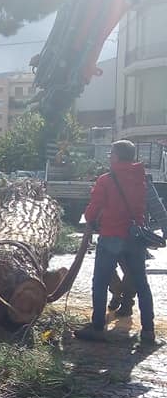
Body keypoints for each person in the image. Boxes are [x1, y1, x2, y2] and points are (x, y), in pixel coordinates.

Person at [75, 140, 156, 345]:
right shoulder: (141, 178)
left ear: (118, 156)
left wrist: (90, 219)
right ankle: (148, 331)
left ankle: (97, 328)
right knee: (141, 283)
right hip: (135, 237)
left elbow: (93, 209)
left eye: (111, 153)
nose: (109, 156)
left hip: (111, 236)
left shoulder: (106, 180)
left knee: (100, 282)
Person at [108, 175, 167, 316]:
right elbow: (157, 207)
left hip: (124, 234)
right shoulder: (109, 178)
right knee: (124, 271)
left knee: (120, 270)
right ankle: (119, 295)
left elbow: (156, 207)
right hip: (122, 234)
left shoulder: (140, 181)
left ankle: (125, 301)